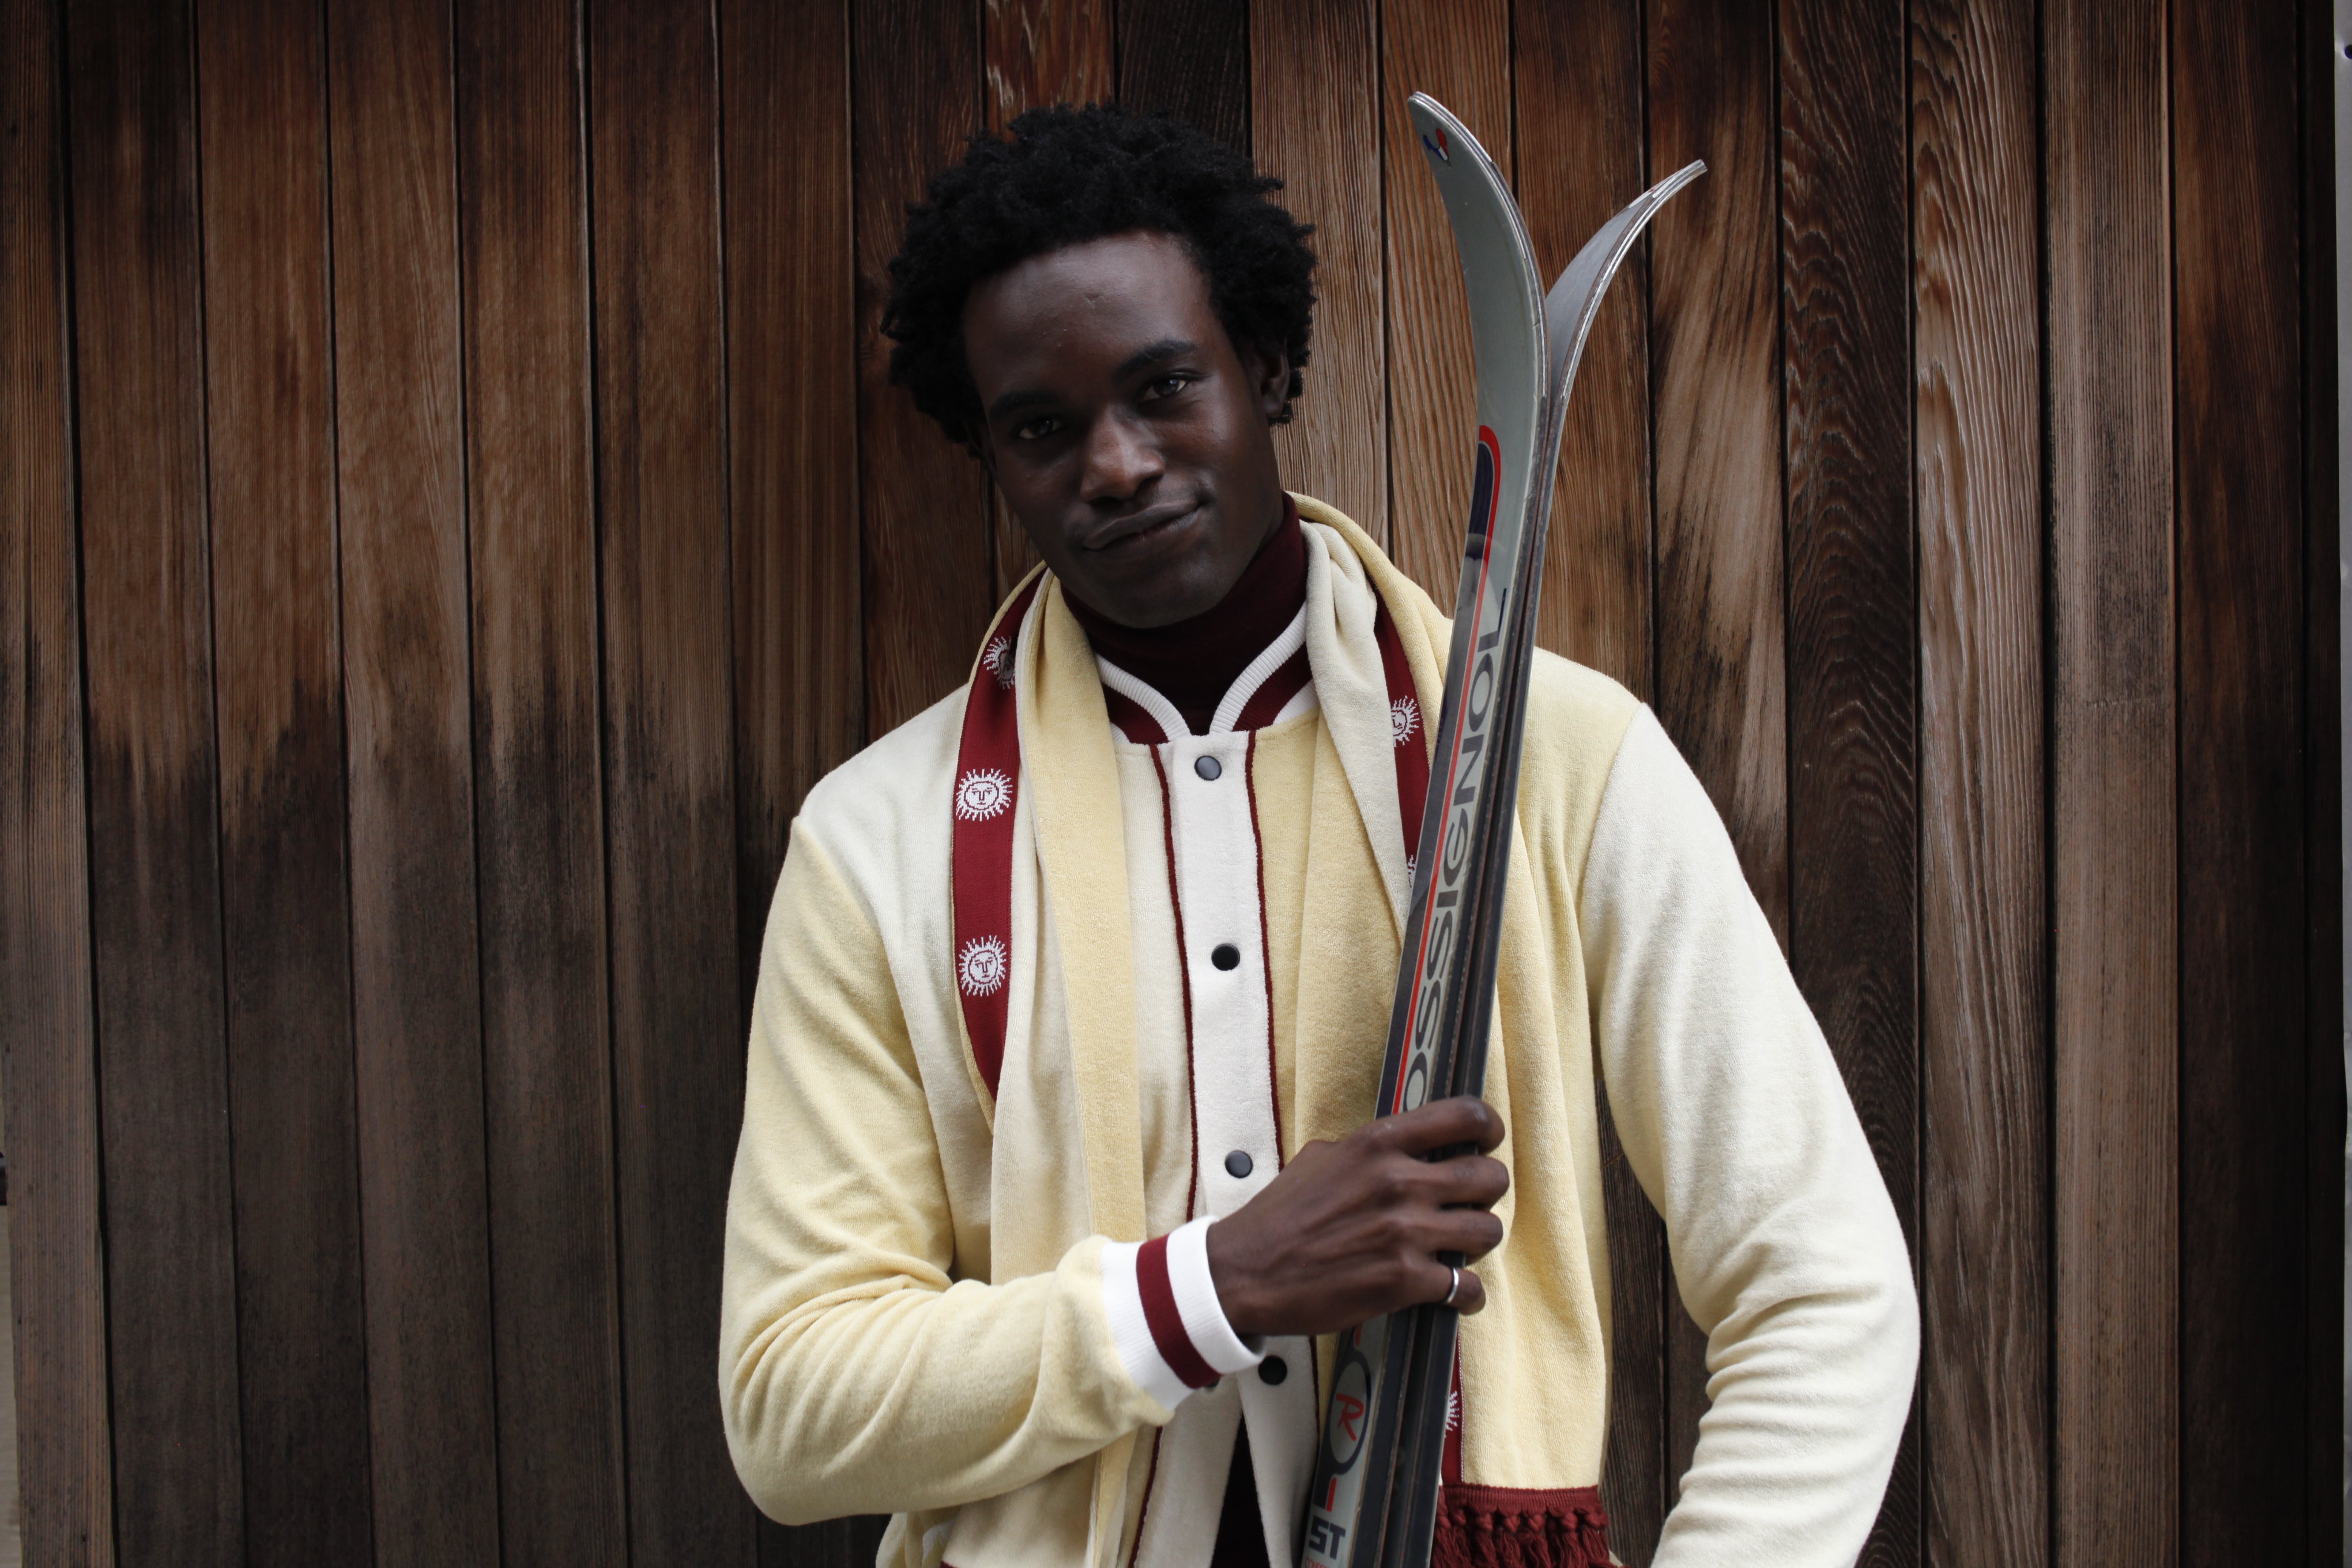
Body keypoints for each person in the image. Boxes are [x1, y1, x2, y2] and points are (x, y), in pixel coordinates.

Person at [718, 104, 1914, 1568]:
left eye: (1165, 386)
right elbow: (789, 1404)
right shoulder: (879, 845)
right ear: (990, 451)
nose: (1115, 462)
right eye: (1041, 427)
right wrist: (1208, 1289)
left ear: (1268, 370)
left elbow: (1823, 1281)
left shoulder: (1566, 757)